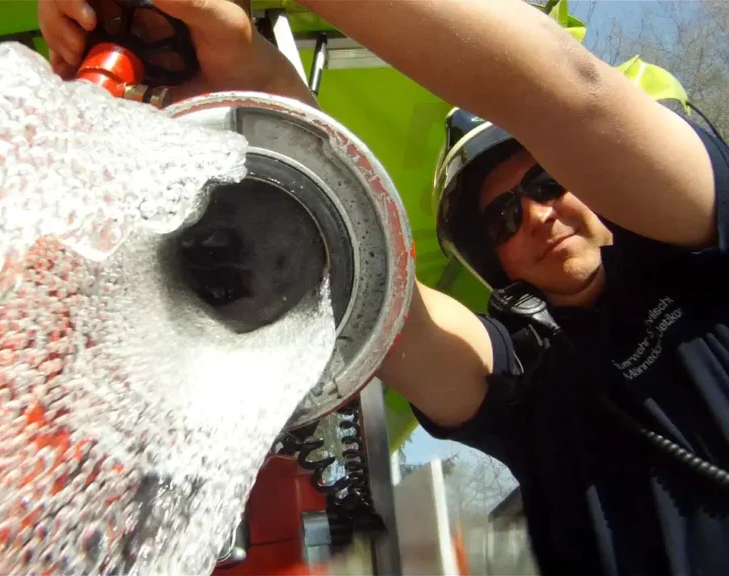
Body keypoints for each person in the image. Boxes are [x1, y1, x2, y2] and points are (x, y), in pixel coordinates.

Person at [39, 1, 729, 574]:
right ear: (501, 267)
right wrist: (248, 64)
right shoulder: (535, 382)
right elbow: (380, 285)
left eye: (548, 182)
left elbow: (565, 88)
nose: (539, 215)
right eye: (504, 217)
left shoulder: (705, 252)